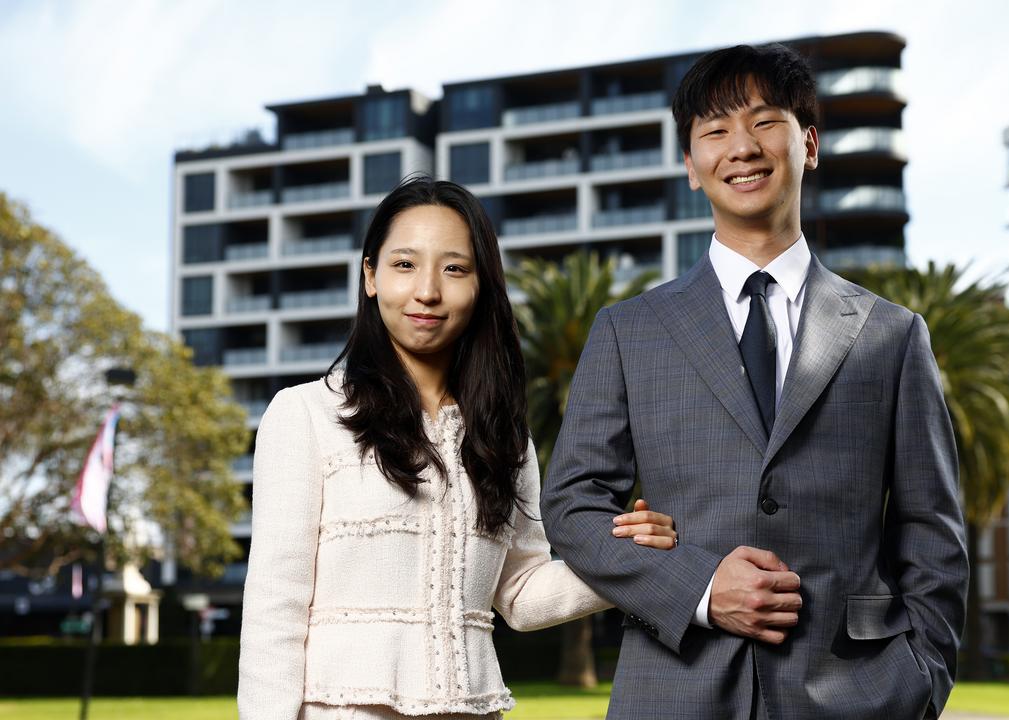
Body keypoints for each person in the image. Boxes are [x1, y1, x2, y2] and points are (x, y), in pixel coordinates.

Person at [540, 43, 967, 720]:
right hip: (673, 692)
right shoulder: (628, 330)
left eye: (765, 121)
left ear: (810, 143)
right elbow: (572, 509)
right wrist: (701, 586)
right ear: (690, 165)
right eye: (714, 131)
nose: (741, 147)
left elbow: (932, 533)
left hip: (855, 694)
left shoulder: (893, 334)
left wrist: (921, 679)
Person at [238, 176, 678, 720]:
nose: (427, 290)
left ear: (481, 287)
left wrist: (631, 559)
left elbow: (520, 592)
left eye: (454, 268)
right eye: (404, 264)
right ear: (370, 277)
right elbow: (273, 607)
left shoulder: (504, 437)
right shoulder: (305, 414)